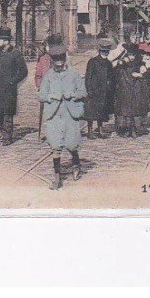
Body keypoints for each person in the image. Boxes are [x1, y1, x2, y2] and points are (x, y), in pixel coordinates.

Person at [38, 44, 88, 190]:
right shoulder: (48, 76)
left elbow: (83, 92)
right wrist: (52, 96)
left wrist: (72, 95)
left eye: (61, 62)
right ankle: (57, 178)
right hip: (54, 115)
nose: (59, 65)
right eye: (56, 63)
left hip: (70, 114)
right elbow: (41, 95)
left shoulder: (73, 74)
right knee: (55, 146)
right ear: (53, 62)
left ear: (65, 60)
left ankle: (76, 161)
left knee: (71, 144)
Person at [0, 27, 29, 146]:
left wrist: (12, 81)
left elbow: (23, 71)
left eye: (0, 39)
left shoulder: (16, 54)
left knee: (7, 113)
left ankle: (7, 136)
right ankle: (3, 130)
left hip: (8, 89)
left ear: (6, 41)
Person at [111, 43, 149, 138]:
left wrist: (140, 74)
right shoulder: (122, 62)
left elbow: (145, 74)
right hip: (124, 89)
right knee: (125, 110)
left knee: (134, 110)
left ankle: (134, 129)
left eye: (133, 55)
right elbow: (114, 70)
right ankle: (126, 129)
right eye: (130, 54)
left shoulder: (139, 63)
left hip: (135, 89)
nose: (132, 57)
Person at [84, 38, 114, 139]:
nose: (105, 53)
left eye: (107, 51)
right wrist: (89, 90)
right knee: (91, 113)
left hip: (104, 92)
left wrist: (110, 86)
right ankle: (90, 131)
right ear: (100, 51)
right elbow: (88, 77)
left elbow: (111, 76)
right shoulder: (93, 62)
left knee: (102, 112)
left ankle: (100, 130)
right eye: (104, 51)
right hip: (94, 91)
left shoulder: (109, 63)